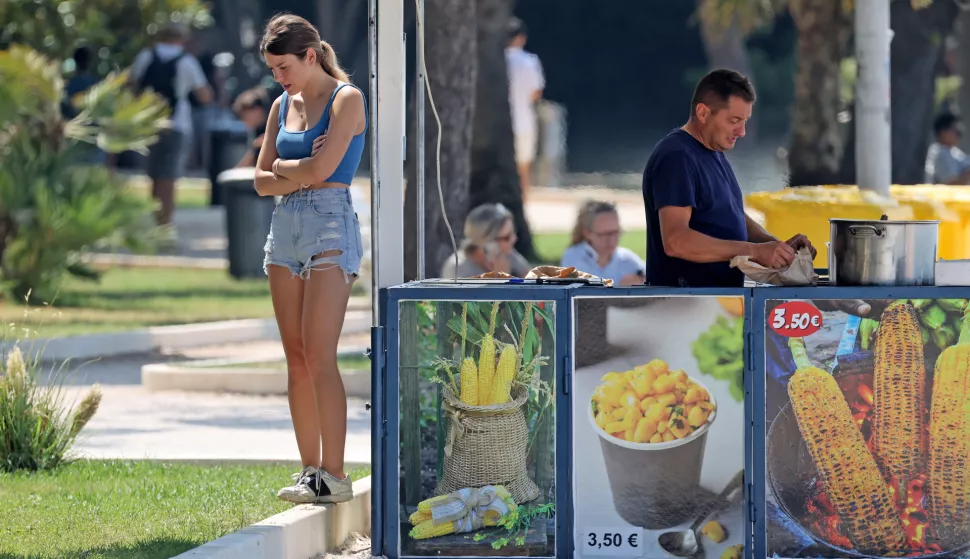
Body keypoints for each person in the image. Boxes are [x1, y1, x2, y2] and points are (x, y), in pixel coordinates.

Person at [253, 13, 367, 505]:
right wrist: (293, 169)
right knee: (295, 358)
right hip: (286, 228)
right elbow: (260, 182)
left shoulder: (347, 99)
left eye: (284, 67)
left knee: (321, 355)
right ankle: (308, 471)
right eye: (273, 69)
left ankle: (334, 475)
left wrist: (285, 165)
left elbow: (326, 171)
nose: (279, 78)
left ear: (310, 56)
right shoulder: (282, 105)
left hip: (329, 225)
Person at [641, 69, 815, 288]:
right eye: (734, 120)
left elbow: (730, 215)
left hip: (720, 305)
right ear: (703, 113)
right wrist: (753, 251)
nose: (742, 131)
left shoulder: (714, 153)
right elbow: (677, 241)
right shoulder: (677, 156)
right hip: (684, 305)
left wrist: (776, 247)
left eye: (745, 121)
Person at [130, 23, 213, 236]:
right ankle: (165, 224)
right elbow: (204, 96)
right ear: (181, 39)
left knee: (154, 176)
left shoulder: (145, 56)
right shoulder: (187, 61)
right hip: (177, 124)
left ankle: (157, 220)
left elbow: (132, 86)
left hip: (149, 123)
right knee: (170, 177)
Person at [505, 17, 545, 200]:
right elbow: (536, 93)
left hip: (500, 123)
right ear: (521, 38)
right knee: (523, 168)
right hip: (524, 121)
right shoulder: (530, 61)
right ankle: (522, 202)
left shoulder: (495, 62)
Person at [560, 200, 645, 285]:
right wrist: (621, 289)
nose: (611, 240)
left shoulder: (626, 258)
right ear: (587, 233)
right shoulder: (574, 257)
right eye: (605, 235)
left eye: (616, 232)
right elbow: (583, 295)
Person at [441, 203, 531, 279]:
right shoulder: (457, 268)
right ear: (487, 243)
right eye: (507, 237)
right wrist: (500, 278)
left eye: (513, 233)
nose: (514, 239)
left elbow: (532, 282)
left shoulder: (508, 255)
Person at [231, 86, 272, 168]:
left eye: (245, 116)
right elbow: (251, 156)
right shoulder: (256, 130)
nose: (244, 121)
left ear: (257, 111)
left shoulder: (272, 124)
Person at [924, 112, 970, 185]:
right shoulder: (938, 152)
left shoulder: (954, 151)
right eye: (956, 130)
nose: (958, 134)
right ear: (943, 132)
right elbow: (951, 184)